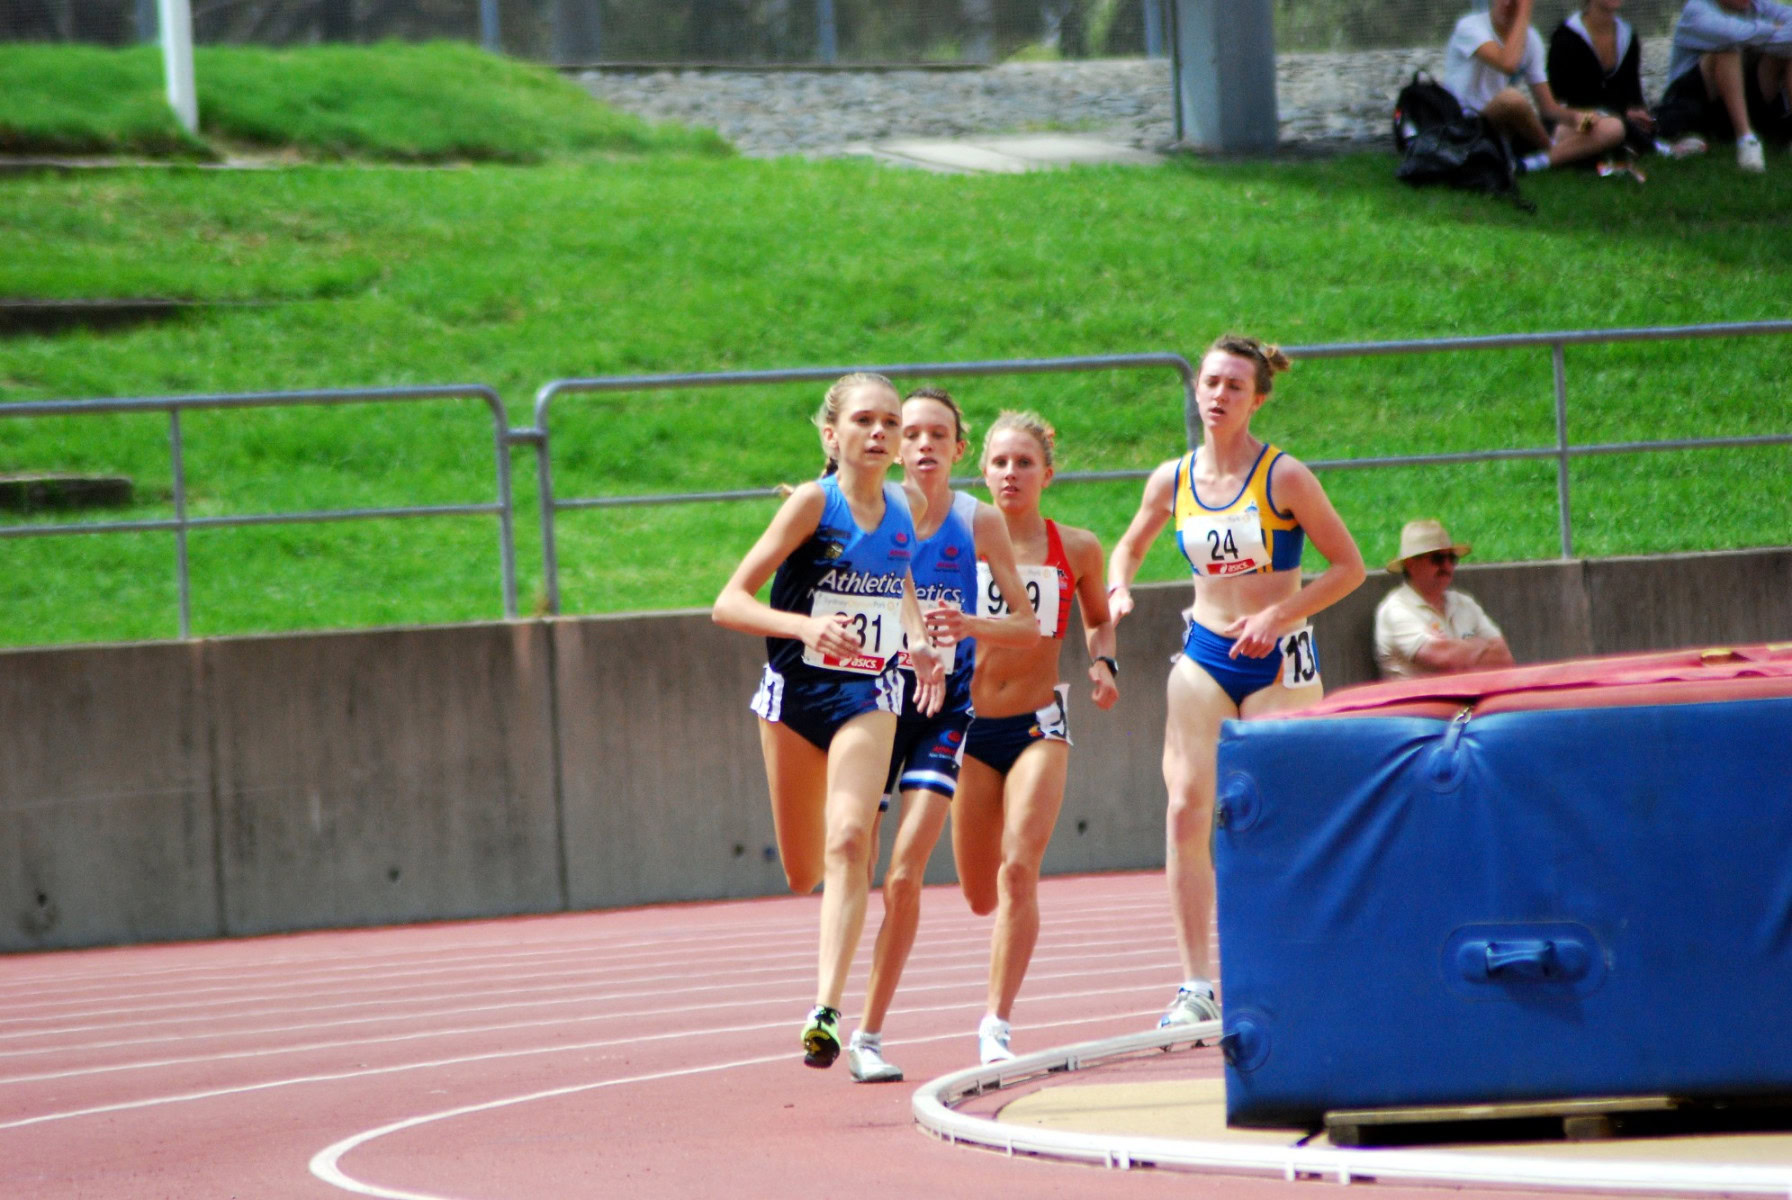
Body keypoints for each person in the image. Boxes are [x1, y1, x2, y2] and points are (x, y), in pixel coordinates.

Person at [1107, 335, 1364, 1031]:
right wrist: (1119, 587)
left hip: (1279, 661)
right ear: (1196, 390)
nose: (1219, 395)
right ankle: (1196, 985)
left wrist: (1278, 615)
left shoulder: (1285, 478)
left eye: (1235, 386)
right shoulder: (1172, 479)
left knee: (1276, 814)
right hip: (1206, 653)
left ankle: (1298, 967)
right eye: (1211, 382)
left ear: (1257, 400)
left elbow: (1349, 568)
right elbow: (1129, 544)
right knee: (1186, 809)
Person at [711, 372, 945, 1071]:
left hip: (868, 690)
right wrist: (806, 628)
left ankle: (825, 1011)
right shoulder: (814, 505)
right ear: (831, 434)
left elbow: (898, 578)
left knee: (850, 839)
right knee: (801, 870)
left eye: (891, 423)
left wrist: (917, 639)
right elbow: (728, 603)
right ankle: (824, 940)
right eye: (865, 420)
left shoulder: (907, 504)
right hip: (793, 697)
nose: (880, 433)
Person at [845, 387, 1039, 1084]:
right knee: (852, 861)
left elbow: (1027, 624)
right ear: (897, 446)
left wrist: (969, 624)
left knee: (904, 874)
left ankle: (867, 1035)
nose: (924, 445)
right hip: (873, 702)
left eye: (939, 435)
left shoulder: (977, 520)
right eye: (912, 433)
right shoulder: (870, 511)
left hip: (944, 711)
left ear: (960, 449)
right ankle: (832, 997)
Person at [951, 410, 1119, 1065]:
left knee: (1019, 869)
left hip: (1038, 726)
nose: (1011, 474)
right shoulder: (954, 541)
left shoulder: (1076, 548)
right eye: (999, 462)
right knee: (979, 894)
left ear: (1047, 474)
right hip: (968, 730)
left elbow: (1099, 620)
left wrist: (1104, 661)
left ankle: (996, 1023)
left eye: (1024, 463)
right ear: (982, 471)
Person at [1443, 0, 1628, 173]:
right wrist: (1523, 13)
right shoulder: (1470, 27)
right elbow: (1508, 64)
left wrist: (1577, 117)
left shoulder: (1531, 39)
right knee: (1512, 99)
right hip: (1467, 125)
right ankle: (1555, 150)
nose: (1507, 4)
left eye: (1515, 1)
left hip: (1512, 130)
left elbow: (1549, 107)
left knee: (1612, 126)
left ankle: (1530, 163)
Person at [1655, 0, 1792, 172]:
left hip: (1746, 102)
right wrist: (1774, 29)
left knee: (1787, 52)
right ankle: (1746, 140)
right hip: (1695, 107)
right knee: (1727, 50)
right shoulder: (1696, 10)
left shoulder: (1760, 6)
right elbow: (1730, 35)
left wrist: (1764, 35)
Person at [1373, 518, 1516, 680]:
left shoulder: (1464, 603)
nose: (1447, 566)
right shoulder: (1396, 609)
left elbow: (1504, 658)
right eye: (1438, 559)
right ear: (1411, 564)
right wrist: (1480, 645)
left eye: (1452, 558)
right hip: (1422, 696)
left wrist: (1454, 647)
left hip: (1470, 694)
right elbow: (1444, 660)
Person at [1546, 0, 1657, 157]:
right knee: (1612, 128)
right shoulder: (1566, 37)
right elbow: (1566, 99)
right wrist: (1621, 113)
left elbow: (1632, 92)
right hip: (1576, 120)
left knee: (1625, 125)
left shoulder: (1627, 36)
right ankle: (1547, 157)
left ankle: (1617, 143)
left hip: (1613, 118)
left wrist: (1638, 113)